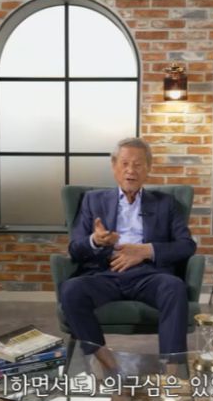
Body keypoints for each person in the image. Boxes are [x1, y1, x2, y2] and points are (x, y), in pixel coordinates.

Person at [60, 137, 196, 365]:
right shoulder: (92, 200)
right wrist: (96, 240)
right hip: (105, 273)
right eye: (124, 163)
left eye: (138, 164)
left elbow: (187, 245)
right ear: (114, 166)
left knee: (174, 287)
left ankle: (173, 372)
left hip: (148, 275)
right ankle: (106, 362)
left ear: (148, 169)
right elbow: (75, 248)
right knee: (71, 290)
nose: (130, 170)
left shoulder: (166, 203)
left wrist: (146, 251)